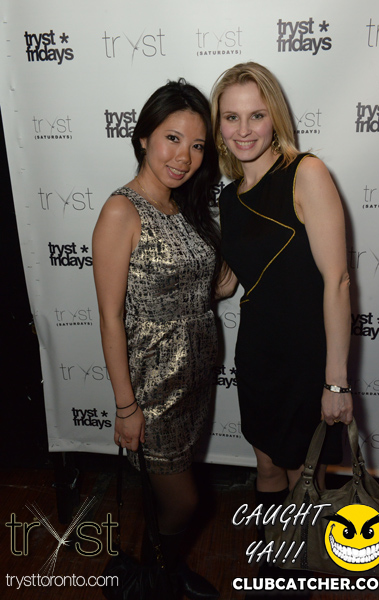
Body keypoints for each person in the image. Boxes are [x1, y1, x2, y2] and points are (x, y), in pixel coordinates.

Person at [211, 62, 353, 594]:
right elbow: (229, 283)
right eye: (231, 117)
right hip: (257, 355)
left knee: (303, 474)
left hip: (305, 357)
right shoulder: (229, 197)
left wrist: (335, 381)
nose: (244, 129)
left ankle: (304, 571)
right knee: (266, 465)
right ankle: (275, 561)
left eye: (256, 115)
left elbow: (337, 280)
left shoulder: (305, 173)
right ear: (218, 125)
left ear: (275, 118)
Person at [92, 79, 222, 599]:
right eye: (172, 138)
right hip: (154, 390)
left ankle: (163, 572)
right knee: (184, 501)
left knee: (173, 497)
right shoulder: (122, 211)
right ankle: (154, 576)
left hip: (196, 379)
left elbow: (211, 286)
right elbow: (110, 318)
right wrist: (126, 407)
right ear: (144, 137)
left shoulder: (184, 207)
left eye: (197, 145)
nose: (184, 156)